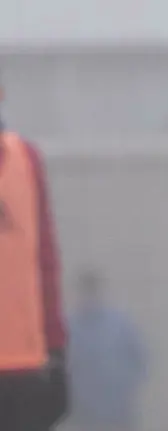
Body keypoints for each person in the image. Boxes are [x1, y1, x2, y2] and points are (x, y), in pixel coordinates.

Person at [0, 124, 69, 430]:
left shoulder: (25, 160)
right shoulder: (24, 159)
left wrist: (56, 352)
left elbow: (45, 262)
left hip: (24, 371)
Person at [67, 270, 148, 431]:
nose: (89, 298)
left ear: (100, 292)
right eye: (85, 292)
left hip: (118, 410)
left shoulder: (120, 324)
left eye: (92, 291)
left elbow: (141, 358)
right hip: (83, 412)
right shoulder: (69, 327)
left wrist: (126, 386)